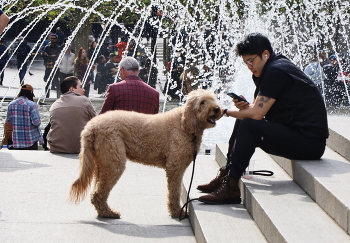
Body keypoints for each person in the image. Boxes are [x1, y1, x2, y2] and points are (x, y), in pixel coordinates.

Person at [197, 33, 328, 205]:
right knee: (245, 121)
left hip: (310, 143)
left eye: (252, 60)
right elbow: (259, 110)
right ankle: (227, 174)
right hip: (297, 133)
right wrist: (245, 107)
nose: (249, 66)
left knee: (249, 125)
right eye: (246, 62)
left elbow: (257, 115)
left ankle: (231, 187)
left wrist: (225, 112)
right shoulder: (271, 67)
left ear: (265, 54)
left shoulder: (275, 71)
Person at [46, 76, 96, 153]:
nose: (83, 90)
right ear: (72, 89)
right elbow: (96, 122)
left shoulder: (55, 104)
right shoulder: (84, 100)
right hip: (80, 148)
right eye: (81, 87)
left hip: (56, 147)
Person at [6, 84, 43, 150]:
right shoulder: (32, 105)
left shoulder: (11, 105)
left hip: (16, 141)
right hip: (30, 141)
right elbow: (36, 123)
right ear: (31, 93)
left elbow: (9, 122)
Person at [42, 33, 61, 98]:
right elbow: (43, 56)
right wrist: (50, 56)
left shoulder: (58, 48)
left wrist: (48, 56)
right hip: (48, 67)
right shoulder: (47, 47)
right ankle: (47, 97)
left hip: (55, 67)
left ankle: (58, 96)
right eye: (51, 38)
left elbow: (57, 57)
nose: (52, 40)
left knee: (56, 82)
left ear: (56, 39)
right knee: (47, 82)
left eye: (54, 38)